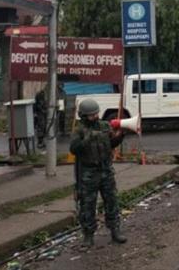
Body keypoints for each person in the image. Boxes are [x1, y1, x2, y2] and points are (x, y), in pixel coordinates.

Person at [70, 99, 127, 247]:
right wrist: (88, 138)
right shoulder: (79, 130)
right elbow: (74, 149)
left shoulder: (104, 126)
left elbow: (111, 144)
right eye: (91, 115)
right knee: (88, 204)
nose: (95, 116)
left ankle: (115, 230)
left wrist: (119, 136)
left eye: (96, 113)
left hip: (106, 170)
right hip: (88, 173)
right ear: (83, 116)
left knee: (112, 201)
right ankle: (88, 235)